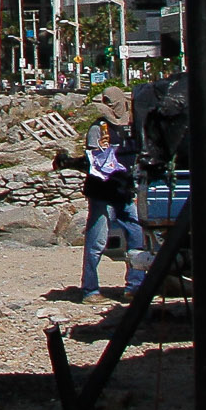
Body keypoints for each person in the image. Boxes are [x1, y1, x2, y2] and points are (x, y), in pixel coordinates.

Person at [78, 117, 143, 299]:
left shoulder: (133, 127)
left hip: (124, 191)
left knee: (136, 234)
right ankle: (90, 289)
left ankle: (135, 285)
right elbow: (95, 159)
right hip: (103, 192)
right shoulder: (98, 127)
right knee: (96, 242)